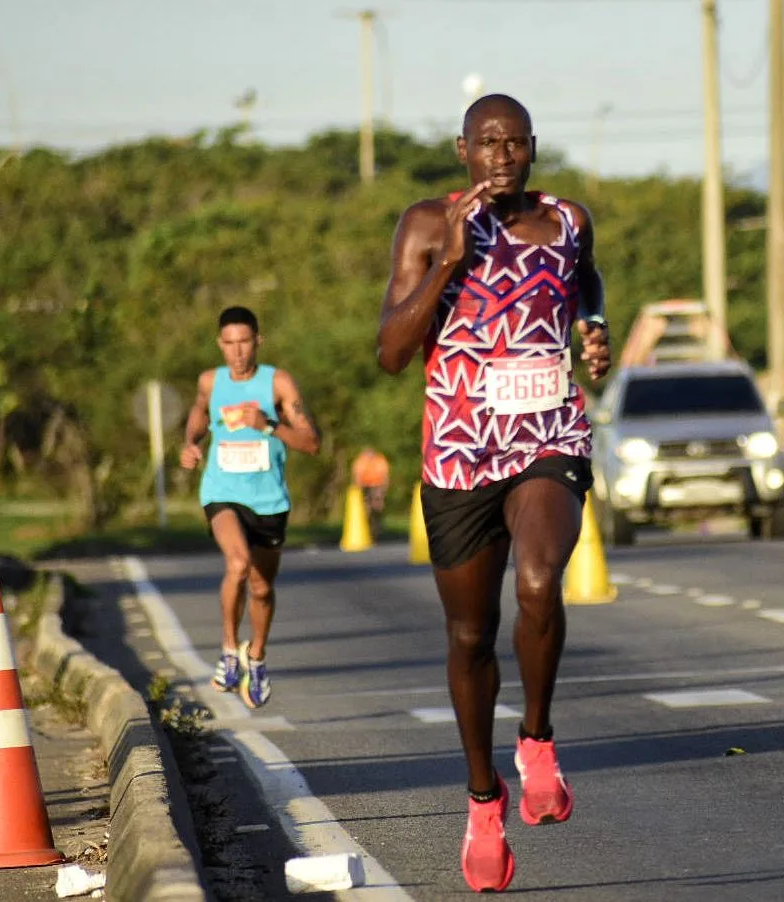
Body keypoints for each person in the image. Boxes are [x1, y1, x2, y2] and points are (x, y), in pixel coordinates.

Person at [376, 94, 611, 894]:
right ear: (462, 151)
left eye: (515, 143)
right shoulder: (423, 224)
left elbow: (586, 281)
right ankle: (483, 799)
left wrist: (593, 329)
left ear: (533, 150)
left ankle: (537, 742)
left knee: (541, 580)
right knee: (471, 635)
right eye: (487, 144)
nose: (502, 156)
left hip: (548, 430)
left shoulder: (567, 220)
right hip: (459, 446)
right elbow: (389, 352)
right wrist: (445, 261)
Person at [179, 306, 321, 708]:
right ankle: (228, 651)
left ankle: (255, 655)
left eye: (245, 342)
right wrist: (191, 443)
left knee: (261, 587)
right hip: (221, 491)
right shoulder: (211, 381)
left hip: (269, 498)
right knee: (237, 564)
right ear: (219, 345)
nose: (238, 352)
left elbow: (311, 443)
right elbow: (199, 412)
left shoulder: (278, 383)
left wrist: (269, 425)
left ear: (258, 341)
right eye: (230, 343)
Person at [351, 446, 391, 539]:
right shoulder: (361, 461)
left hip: (377, 485)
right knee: (366, 508)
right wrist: (358, 490)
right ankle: (368, 528)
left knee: (377, 506)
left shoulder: (379, 460)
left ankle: (377, 527)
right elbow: (357, 475)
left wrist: (383, 490)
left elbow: (385, 476)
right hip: (365, 486)